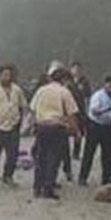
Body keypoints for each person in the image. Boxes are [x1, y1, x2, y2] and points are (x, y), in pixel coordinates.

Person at [29, 62, 80, 199]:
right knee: (53, 159)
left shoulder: (41, 90)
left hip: (41, 127)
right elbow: (71, 114)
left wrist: (33, 125)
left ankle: (36, 188)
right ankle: (48, 188)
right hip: (57, 128)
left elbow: (32, 110)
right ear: (64, 79)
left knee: (41, 158)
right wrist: (76, 132)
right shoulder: (64, 92)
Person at [79, 76, 111, 186]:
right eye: (108, 85)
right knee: (89, 152)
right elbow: (95, 112)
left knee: (108, 154)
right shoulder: (98, 96)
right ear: (105, 84)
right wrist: (109, 109)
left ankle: (106, 178)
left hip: (108, 127)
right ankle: (83, 177)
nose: (110, 87)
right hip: (95, 126)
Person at [68, 62, 93, 160]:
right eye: (74, 69)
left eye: (78, 69)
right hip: (69, 109)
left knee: (79, 132)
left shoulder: (84, 81)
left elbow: (88, 95)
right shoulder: (68, 81)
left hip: (80, 109)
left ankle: (76, 152)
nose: (76, 71)